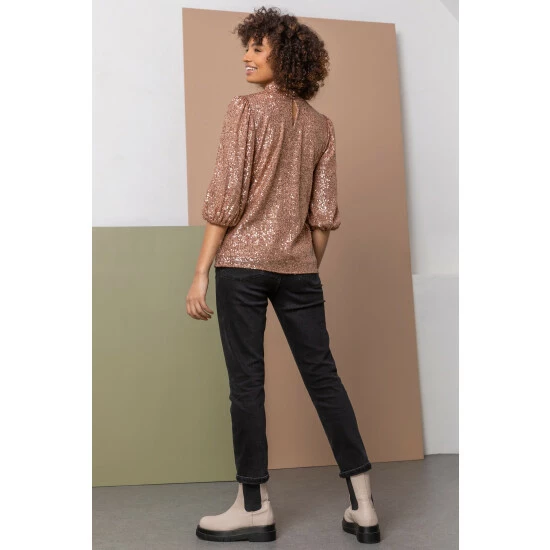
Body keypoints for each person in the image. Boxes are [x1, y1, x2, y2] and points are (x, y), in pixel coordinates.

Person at [188, 7, 381, 544]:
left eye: (257, 47)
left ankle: (254, 507)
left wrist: (201, 272)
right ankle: (364, 504)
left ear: (285, 56)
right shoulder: (322, 125)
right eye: (246, 47)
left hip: (242, 267)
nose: (246, 57)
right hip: (300, 271)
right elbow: (323, 217)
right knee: (324, 378)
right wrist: (300, 266)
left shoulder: (244, 110)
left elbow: (225, 199)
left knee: (246, 385)